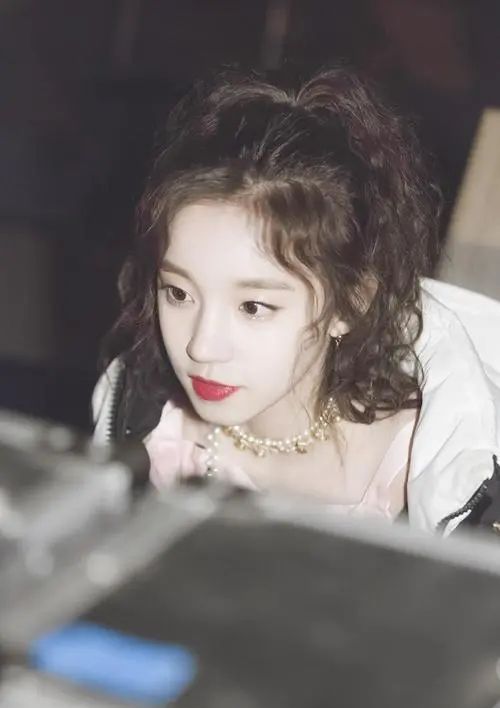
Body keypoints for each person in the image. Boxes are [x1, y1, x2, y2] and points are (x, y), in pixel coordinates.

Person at [93, 67, 500, 534]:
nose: (202, 347)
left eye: (253, 307)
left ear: (349, 305)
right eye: (179, 293)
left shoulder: (426, 470)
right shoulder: (150, 432)